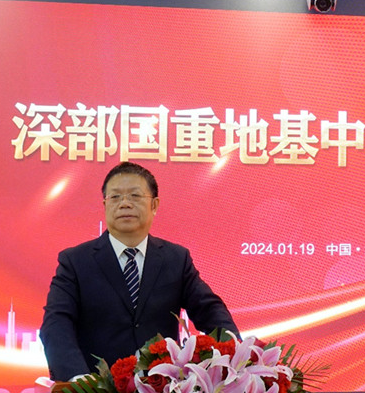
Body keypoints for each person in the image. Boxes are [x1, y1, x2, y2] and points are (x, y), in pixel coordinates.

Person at [40, 161, 238, 381]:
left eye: (135, 196)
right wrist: (79, 380)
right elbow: (56, 324)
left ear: (154, 205)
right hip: (97, 391)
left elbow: (210, 310)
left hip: (163, 391)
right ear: (105, 205)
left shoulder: (175, 258)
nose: (124, 203)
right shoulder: (75, 261)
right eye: (115, 197)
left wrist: (238, 355)